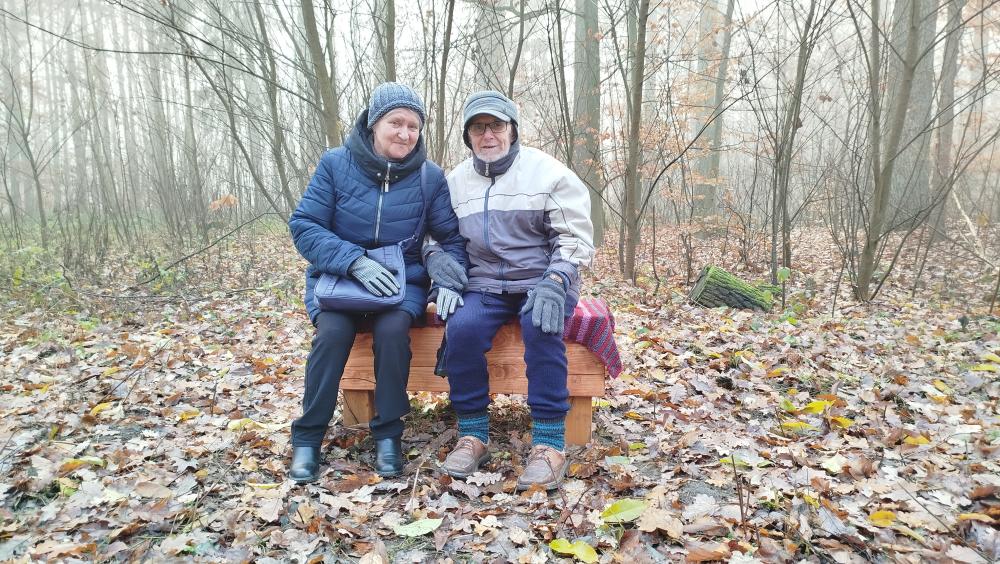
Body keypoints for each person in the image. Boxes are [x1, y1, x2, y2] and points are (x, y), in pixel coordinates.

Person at [287, 82, 468, 484]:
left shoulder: (429, 177)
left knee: (392, 331)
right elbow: (304, 225)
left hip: (402, 282)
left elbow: (451, 239)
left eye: (413, 126)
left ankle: (388, 435)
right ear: (374, 123)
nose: (405, 133)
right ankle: (307, 438)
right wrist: (353, 261)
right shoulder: (335, 164)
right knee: (332, 334)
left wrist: (448, 284)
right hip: (338, 279)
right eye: (395, 123)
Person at [428, 90, 595, 491]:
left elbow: (574, 237)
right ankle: (473, 434)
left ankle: (550, 443)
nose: (488, 135)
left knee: (541, 325)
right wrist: (437, 263)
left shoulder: (547, 172)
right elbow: (435, 235)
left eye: (496, 126)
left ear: (512, 130)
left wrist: (558, 279)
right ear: (468, 136)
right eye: (478, 127)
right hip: (484, 282)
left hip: (541, 278)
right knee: (462, 329)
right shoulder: (454, 182)